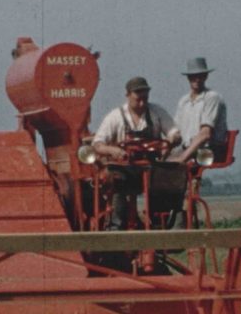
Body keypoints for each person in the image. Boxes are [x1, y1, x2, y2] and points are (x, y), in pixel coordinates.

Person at [93, 77, 181, 229]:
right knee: (116, 180)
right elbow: (97, 144)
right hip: (125, 168)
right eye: (138, 99)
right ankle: (116, 226)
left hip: (151, 167)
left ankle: (160, 224)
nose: (142, 103)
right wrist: (113, 150)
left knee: (171, 178)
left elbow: (174, 132)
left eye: (145, 99)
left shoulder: (156, 112)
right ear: (127, 96)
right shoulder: (115, 117)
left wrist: (173, 138)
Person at [172, 57, 228, 163]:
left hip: (208, 150)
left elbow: (205, 134)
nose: (197, 79)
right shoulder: (184, 101)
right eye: (193, 76)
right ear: (188, 77)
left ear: (206, 76)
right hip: (189, 148)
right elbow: (176, 131)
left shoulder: (212, 97)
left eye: (200, 76)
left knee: (170, 166)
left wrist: (181, 158)